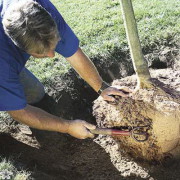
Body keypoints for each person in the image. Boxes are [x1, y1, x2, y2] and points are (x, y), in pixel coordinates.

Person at [0, 0, 130, 139]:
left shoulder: (40, 14)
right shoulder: (4, 63)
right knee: (11, 99)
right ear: (18, 46)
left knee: (35, 93)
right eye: (42, 53)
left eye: (53, 46)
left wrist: (102, 87)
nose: (52, 55)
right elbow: (19, 111)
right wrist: (67, 126)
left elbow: (74, 54)